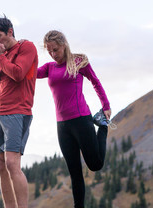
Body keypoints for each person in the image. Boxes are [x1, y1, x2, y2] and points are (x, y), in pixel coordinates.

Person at [37, 30, 111, 208]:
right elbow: (30, 73)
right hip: (62, 126)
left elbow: (95, 81)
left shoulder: (79, 61)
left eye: (55, 50)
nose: (53, 54)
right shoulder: (49, 67)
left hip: (81, 120)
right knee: (74, 173)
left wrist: (106, 105)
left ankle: (102, 126)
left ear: (64, 45)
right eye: (49, 51)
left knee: (95, 164)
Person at [0, 16, 38, 208]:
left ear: (10, 31)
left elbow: (18, 74)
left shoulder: (26, 47)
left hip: (18, 112)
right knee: (1, 164)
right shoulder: (2, 54)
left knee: (12, 164)